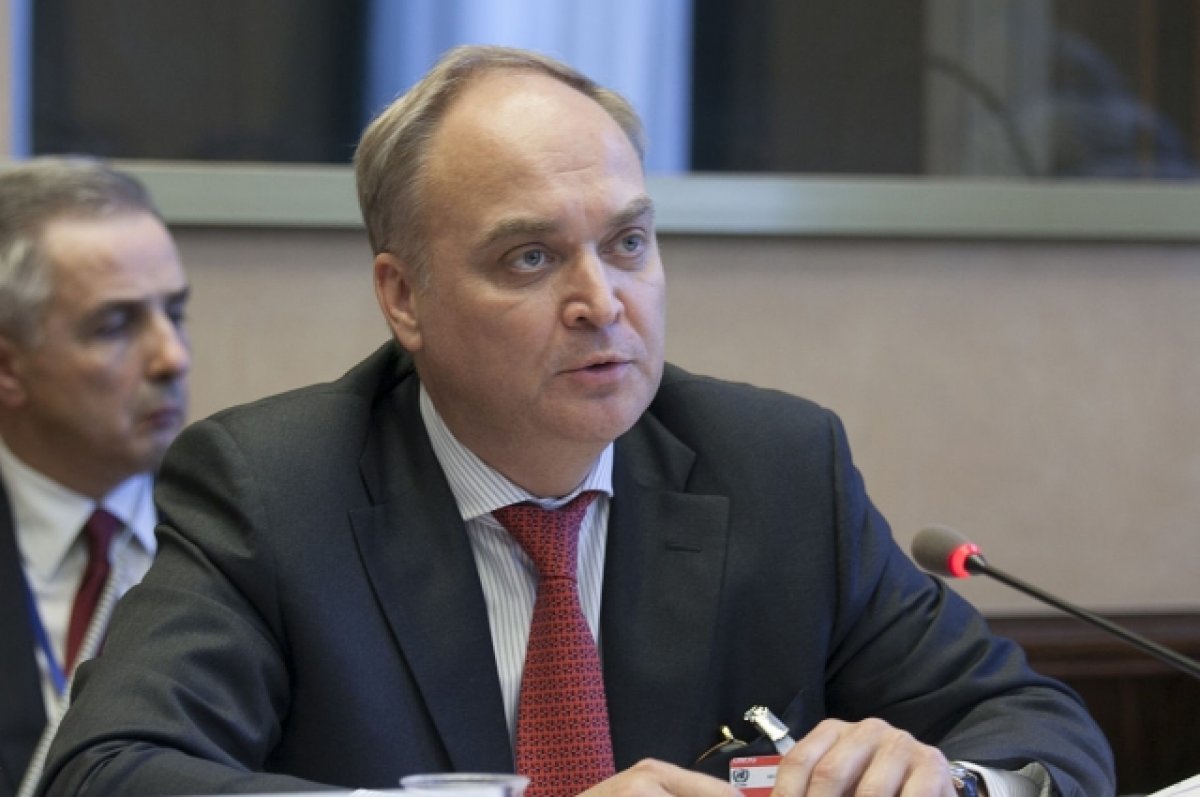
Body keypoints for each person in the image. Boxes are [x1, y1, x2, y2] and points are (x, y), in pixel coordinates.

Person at [39, 46, 1113, 797]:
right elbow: (108, 771)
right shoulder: (276, 490)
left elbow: (1046, 734)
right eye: (531, 257)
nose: (603, 301)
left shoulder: (778, 469)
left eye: (629, 242)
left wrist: (950, 778)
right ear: (404, 297)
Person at [0, 157, 191, 797]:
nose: (172, 357)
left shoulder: (250, 528)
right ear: (8, 367)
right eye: (115, 326)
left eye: (175, 313)